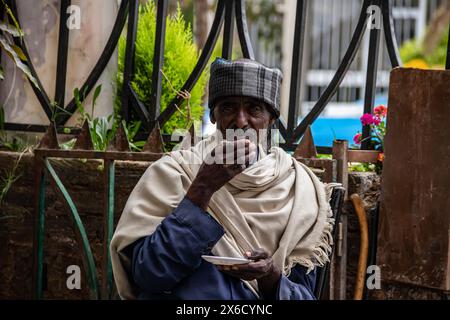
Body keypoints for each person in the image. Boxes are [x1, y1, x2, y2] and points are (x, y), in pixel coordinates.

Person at [110, 58, 334, 300]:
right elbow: (149, 275)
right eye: (228, 107)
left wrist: (269, 275)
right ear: (214, 116)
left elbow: (303, 295)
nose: (240, 120)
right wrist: (202, 189)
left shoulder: (297, 189)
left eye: (254, 108)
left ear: (271, 119)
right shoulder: (174, 172)